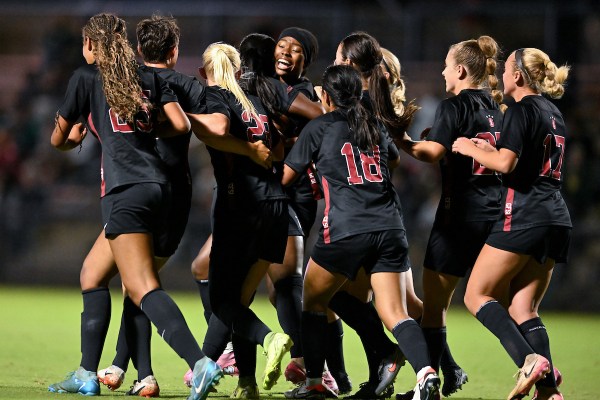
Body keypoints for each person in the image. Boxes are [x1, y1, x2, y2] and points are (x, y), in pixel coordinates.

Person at [47, 13, 223, 400]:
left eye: (84, 43)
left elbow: (58, 139)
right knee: (92, 274)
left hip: (125, 190)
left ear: (91, 45)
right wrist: (142, 126)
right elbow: (179, 125)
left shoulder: (86, 78)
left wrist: (78, 133)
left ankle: (200, 362)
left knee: (141, 286)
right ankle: (86, 373)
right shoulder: (150, 79)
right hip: (160, 188)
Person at [282, 64, 441, 400]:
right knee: (394, 312)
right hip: (389, 226)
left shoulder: (320, 126)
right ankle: (425, 373)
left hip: (346, 229)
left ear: (325, 95)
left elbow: (286, 176)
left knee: (312, 299)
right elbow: (394, 161)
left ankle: (313, 383)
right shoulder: (373, 126)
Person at [451, 47, 570, 400]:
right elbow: (525, 160)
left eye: (505, 70)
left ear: (517, 76)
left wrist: (468, 148)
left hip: (525, 214)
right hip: (557, 218)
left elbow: (506, 165)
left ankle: (529, 360)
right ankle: (549, 394)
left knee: (476, 295)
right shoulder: (553, 112)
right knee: (523, 308)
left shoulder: (521, 108)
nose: (501, 76)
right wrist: (484, 148)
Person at [395, 35, 504, 398]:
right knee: (508, 303)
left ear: (460, 70)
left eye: (445, 64)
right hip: (497, 213)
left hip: (459, 215)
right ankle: (534, 363)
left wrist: (402, 140)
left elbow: (432, 152)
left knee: (436, 306)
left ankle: (429, 384)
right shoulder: (498, 107)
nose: (442, 71)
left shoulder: (453, 106)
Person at [186, 41, 294, 399]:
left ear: (204, 72)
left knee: (221, 301)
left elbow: (216, 128)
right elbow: (277, 149)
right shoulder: (256, 101)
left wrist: (184, 115)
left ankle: (271, 338)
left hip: (241, 205)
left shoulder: (215, 95)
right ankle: (245, 383)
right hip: (276, 205)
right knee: (237, 301)